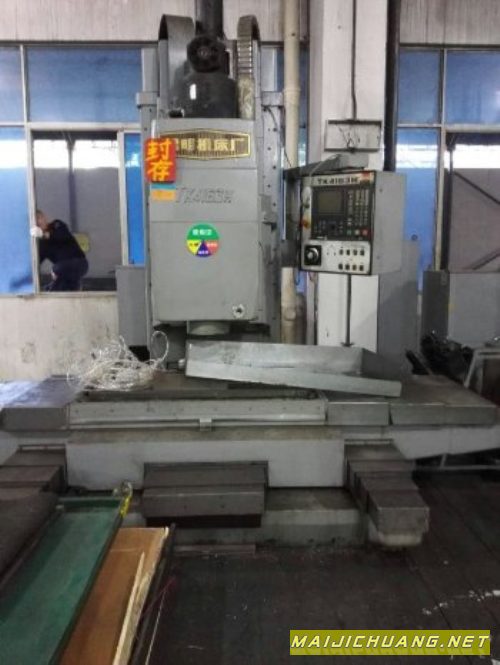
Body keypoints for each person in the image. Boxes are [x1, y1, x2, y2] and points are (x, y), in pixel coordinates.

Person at [32, 210, 88, 291]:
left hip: (79, 263)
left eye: (38, 218)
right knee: (58, 287)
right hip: (64, 273)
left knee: (57, 269)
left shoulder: (56, 224)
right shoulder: (43, 244)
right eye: (34, 221)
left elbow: (62, 235)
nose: (37, 222)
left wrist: (43, 235)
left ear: (44, 217)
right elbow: (37, 261)